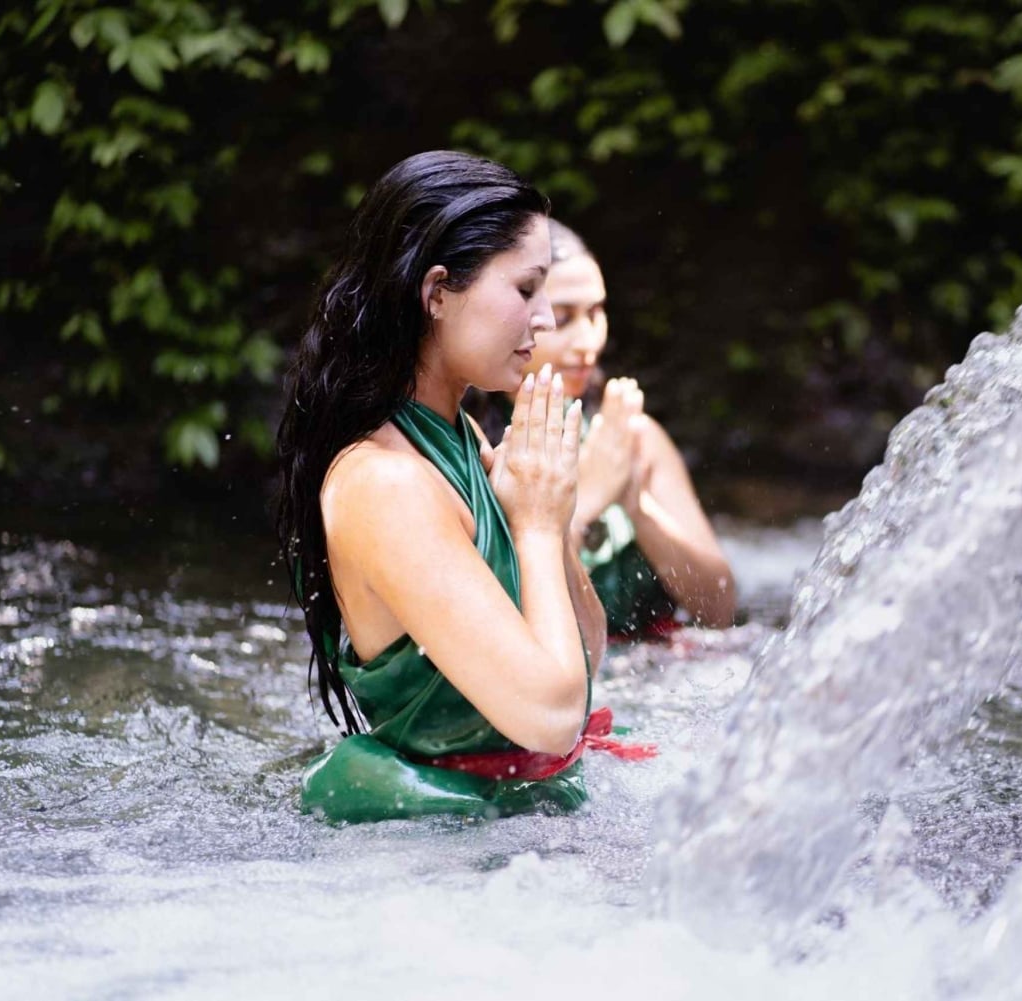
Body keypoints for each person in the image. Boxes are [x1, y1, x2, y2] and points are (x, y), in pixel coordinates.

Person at [274, 150, 648, 826]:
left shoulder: (462, 437)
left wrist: (552, 519)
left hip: (508, 822)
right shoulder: (383, 483)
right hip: (432, 845)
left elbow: (585, 659)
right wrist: (536, 527)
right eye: (527, 290)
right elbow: (552, 718)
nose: (544, 320)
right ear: (438, 292)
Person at [470, 220, 736, 637]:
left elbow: (719, 610)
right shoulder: (471, 443)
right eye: (563, 317)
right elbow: (498, 625)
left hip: (658, 664)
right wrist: (587, 502)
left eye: (596, 313)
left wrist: (637, 505)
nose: (588, 341)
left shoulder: (629, 433)